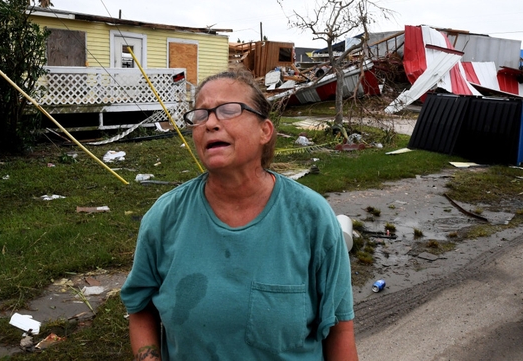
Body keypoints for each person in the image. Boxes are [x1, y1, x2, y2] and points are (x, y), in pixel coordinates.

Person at [121, 68, 358, 361]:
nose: (210, 123)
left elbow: (339, 328)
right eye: (200, 114)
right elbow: (140, 305)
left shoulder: (311, 217)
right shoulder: (164, 218)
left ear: (265, 131)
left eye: (228, 110)